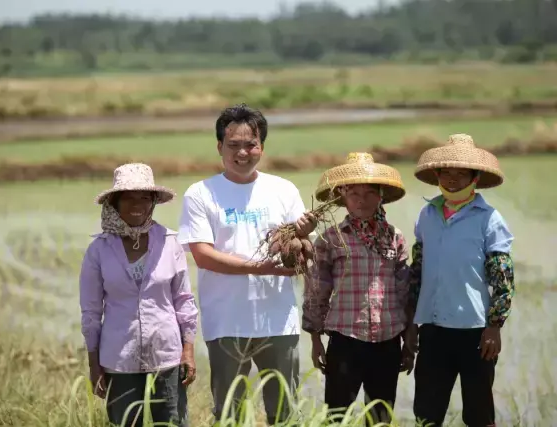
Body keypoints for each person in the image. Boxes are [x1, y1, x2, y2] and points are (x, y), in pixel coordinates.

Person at [177, 103, 317, 425]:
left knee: (284, 412)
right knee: (230, 413)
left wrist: (303, 239)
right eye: (234, 145)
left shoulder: (283, 190)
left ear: (261, 147)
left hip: (278, 320)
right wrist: (261, 267)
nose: (243, 152)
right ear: (219, 147)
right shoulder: (201, 194)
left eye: (250, 144)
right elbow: (203, 254)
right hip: (227, 320)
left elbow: (296, 253)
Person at [406, 134, 515, 427]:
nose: (453, 179)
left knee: (479, 414)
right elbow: (417, 271)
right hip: (433, 329)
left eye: (461, 173)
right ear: (437, 175)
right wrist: (412, 324)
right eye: (447, 172)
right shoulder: (427, 214)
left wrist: (494, 326)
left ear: (475, 178)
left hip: (475, 332)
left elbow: (502, 276)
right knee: (427, 413)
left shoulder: (489, 218)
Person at [79, 163, 198, 427]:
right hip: (119, 361)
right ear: (115, 202)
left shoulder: (169, 242)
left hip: (166, 357)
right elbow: (91, 312)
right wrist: (93, 364)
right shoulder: (98, 250)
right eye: (129, 197)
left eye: (144, 197)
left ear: (153, 202)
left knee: (172, 423)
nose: (138, 204)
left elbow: (184, 302)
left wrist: (188, 350)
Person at [302, 152, 413, 425]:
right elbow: (317, 291)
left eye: (368, 193)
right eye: (353, 194)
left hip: (388, 341)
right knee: (336, 416)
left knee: (380, 417)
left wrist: (409, 340)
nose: (361, 200)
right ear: (343, 198)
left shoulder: (395, 238)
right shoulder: (331, 239)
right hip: (345, 339)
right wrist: (316, 339)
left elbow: (405, 292)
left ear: (380, 196)